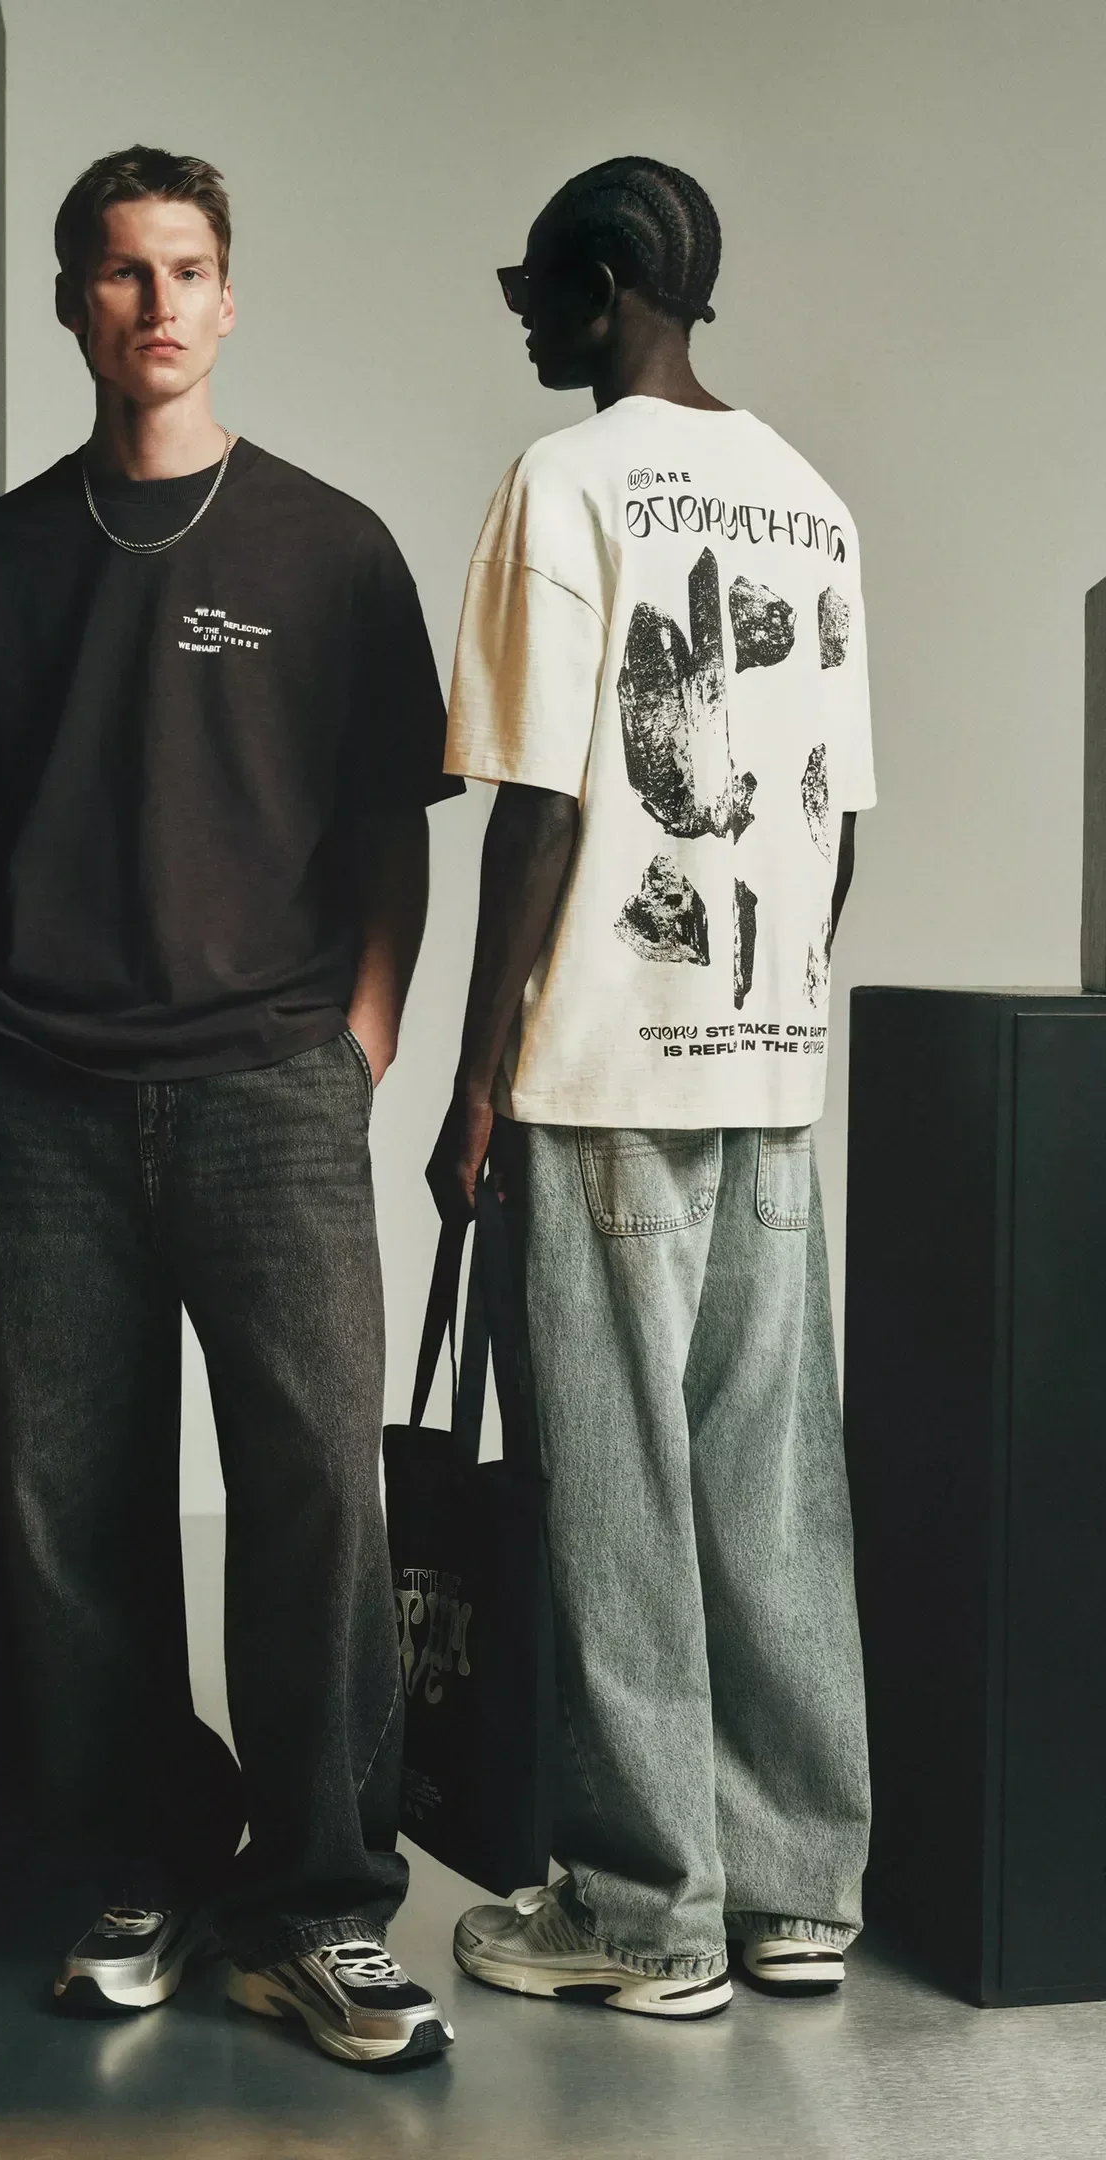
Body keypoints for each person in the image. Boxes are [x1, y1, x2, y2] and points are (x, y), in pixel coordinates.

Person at [0, 144, 460, 2069]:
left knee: (316, 1493)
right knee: (73, 1507)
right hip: (42, 1091)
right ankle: (142, 1867)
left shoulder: (331, 546)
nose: (156, 304)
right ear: (72, 300)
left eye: (187, 269)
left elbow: (392, 823)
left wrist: (363, 1036)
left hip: (268, 1091)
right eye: (121, 271)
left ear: (230, 299)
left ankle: (320, 1909)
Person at [429, 156, 873, 2018]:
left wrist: (475, 1080)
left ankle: (640, 1912)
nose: (526, 321)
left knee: (615, 1490)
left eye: (537, 288)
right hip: (769, 1064)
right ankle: (796, 1892)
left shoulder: (567, 481)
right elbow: (837, 823)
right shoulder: (812, 503)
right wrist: (775, 1022)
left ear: (609, 283)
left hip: (602, 1068)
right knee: (771, 1487)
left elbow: (537, 801)